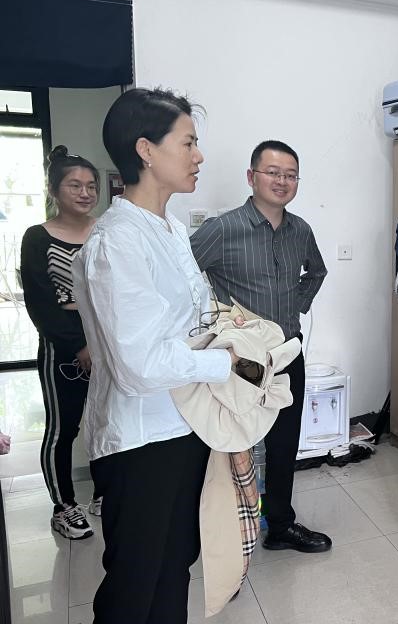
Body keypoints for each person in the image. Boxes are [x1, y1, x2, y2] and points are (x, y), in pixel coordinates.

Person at [72, 88, 239, 624]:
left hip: (184, 424)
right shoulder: (118, 240)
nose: (199, 155)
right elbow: (139, 364)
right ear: (146, 150)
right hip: (139, 439)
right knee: (135, 582)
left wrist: (228, 331)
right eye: (188, 142)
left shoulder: (171, 230)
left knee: (174, 565)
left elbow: (189, 323)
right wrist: (226, 364)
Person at [191, 139, 331, 553]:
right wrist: (214, 318)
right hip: (242, 360)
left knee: (284, 442)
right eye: (273, 173)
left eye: (290, 175)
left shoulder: (300, 230)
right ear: (252, 177)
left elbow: (317, 272)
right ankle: (225, 529)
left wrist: (296, 306)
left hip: (286, 353)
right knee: (233, 440)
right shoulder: (223, 229)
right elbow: (181, 275)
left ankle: (280, 524)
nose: (282, 181)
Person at [20, 146, 102, 539]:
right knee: (62, 428)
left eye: (91, 186)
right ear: (54, 190)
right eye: (75, 185)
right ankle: (64, 506)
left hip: (107, 342)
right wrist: (79, 346)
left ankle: (103, 493)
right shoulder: (37, 237)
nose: (85, 193)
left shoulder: (106, 232)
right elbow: (41, 303)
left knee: (105, 422)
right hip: (62, 347)